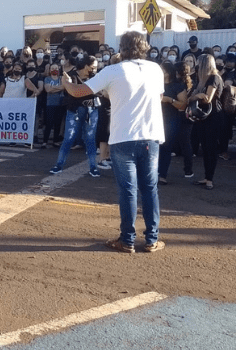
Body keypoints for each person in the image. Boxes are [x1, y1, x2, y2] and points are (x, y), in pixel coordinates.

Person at [62, 31, 165, 253]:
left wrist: (66, 83)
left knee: (128, 190)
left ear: (122, 48)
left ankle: (127, 240)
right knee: (150, 188)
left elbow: (80, 91)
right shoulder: (155, 69)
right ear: (144, 47)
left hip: (123, 137)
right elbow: (154, 98)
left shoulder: (113, 70)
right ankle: (151, 239)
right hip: (150, 135)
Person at [49, 54, 100, 177]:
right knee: (68, 138)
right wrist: (70, 85)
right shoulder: (71, 75)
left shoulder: (96, 77)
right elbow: (71, 91)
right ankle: (59, 165)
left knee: (90, 140)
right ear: (86, 65)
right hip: (75, 110)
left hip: (91, 110)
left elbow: (99, 92)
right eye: (93, 67)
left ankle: (93, 167)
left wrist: (73, 86)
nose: (95, 70)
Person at [190, 54, 224, 190]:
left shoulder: (214, 78)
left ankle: (210, 179)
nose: (197, 66)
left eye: (199, 63)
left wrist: (196, 96)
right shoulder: (202, 79)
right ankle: (206, 176)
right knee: (205, 148)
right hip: (203, 117)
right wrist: (197, 95)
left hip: (213, 117)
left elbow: (207, 98)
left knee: (211, 148)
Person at [157, 62, 188, 185]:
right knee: (153, 148)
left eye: (163, 70)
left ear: (169, 72)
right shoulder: (155, 84)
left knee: (166, 147)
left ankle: (162, 175)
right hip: (155, 119)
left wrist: (170, 100)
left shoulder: (178, 86)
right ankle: (152, 173)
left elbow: (183, 105)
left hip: (171, 120)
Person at [42, 63, 65, 147]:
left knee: (57, 123)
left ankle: (55, 141)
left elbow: (64, 87)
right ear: (50, 70)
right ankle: (45, 141)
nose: (54, 69)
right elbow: (48, 90)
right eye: (52, 68)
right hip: (50, 104)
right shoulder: (47, 79)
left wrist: (53, 88)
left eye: (56, 68)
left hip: (60, 104)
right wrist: (59, 88)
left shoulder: (61, 78)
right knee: (49, 123)